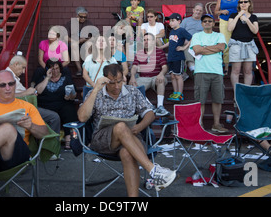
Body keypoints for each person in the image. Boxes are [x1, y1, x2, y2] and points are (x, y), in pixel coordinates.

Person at [77, 63, 177, 195]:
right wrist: (96, 89)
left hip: (132, 138)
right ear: (105, 80)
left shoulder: (132, 92)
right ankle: (153, 170)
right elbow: (82, 117)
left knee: (126, 153)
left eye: (119, 81)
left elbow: (150, 113)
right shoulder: (95, 94)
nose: (117, 86)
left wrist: (139, 127)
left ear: (123, 78)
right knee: (120, 126)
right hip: (103, 141)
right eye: (112, 83)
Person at [190, 14, 228, 133]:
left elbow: (221, 47)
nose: (207, 23)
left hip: (217, 72)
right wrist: (213, 48)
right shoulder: (197, 35)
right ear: (201, 24)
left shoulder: (219, 35)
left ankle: (216, 124)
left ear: (213, 23)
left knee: (218, 99)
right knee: (200, 100)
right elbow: (197, 50)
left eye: (209, 21)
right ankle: (200, 124)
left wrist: (204, 48)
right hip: (201, 71)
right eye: (205, 21)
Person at [5, 55, 61, 134]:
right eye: (23, 67)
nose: (24, 71)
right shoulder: (7, 76)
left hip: (26, 106)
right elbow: (6, 97)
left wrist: (30, 94)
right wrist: (26, 92)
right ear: (16, 64)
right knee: (54, 117)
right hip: (21, 110)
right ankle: (51, 144)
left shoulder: (12, 76)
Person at [32, 59, 78, 150]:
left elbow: (74, 94)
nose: (55, 71)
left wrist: (70, 97)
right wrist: (47, 78)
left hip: (62, 103)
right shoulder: (42, 78)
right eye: (52, 69)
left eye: (57, 68)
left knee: (69, 109)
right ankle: (50, 141)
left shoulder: (66, 78)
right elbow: (38, 91)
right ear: (48, 70)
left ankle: (69, 138)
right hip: (45, 105)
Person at [130, 33, 170, 116]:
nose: (146, 42)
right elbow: (134, 67)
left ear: (153, 41)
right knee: (132, 86)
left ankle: (160, 106)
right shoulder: (140, 53)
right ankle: (150, 106)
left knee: (161, 80)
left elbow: (165, 67)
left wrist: (161, 74)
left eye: (148, 40)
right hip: (144, 78)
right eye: (144, 40)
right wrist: (132, 76)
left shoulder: (159, 52)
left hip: (156, 77)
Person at [227, 0, 259, 92]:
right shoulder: (233, 15)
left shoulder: (253, 17)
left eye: (245, 2)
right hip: (236, 45)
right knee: (236, 70)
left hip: (249, 45)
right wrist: (238, 15)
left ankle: (246, 93)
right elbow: (229, 28)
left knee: (248, 71)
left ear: (249, 3)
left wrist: (247, 20)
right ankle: (237, 94)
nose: (243, 4)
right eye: (241, 2)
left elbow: (255, 31)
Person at [161, 13, 192, 101]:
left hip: (178, 57)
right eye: (170, 21)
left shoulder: (181, 30)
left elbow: (191, 38)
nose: (170, 22)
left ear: (179, 21)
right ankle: (175, 93)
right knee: (172, 76)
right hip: (171, 57)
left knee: (178, 76)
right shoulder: (172, 31)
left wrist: (184, 47)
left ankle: (180, 94)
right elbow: (170, 42)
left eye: (172, 20)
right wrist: (161, 47)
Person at [214, 0, 240, 74]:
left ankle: (236, 66)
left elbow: (243, 8)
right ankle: (226, 67)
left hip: (235, 20)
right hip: (224, 20)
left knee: (237, 43)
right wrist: (221, 11)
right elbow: (216, 11)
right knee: (226, 43)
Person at [64, 6, 94, 76]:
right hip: (73, 44)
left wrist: (85, 40)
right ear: (76, 15)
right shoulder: (70, 23)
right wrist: (76, 41)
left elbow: (94, 36)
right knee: (74, 45)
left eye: (85, 17)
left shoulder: (88, 23)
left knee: (88, 44)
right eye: (81, 17)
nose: (83, 18)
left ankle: (87, 68)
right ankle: (80, 69)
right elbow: (65, 37)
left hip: (85, 43)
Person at [180, 3, 204, 75]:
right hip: (187, 43)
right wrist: (183, 40)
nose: (198, 12)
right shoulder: (186, 21)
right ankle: (192, 68)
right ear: (193, 10)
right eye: (197, 10)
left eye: (200, 11)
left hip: (200, 44)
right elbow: (179, 32)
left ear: (202, 12)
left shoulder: (204, 22)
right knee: (187, 48)